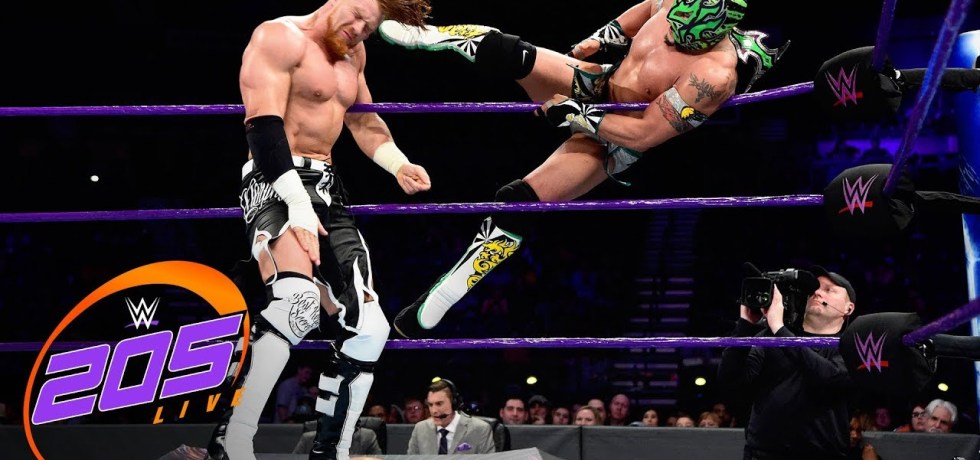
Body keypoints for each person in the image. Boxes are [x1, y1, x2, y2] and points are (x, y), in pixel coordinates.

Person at [377, 0, 787, 338]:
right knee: (507, 50)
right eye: (673, 26)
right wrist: (601, 38)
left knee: (516, 202)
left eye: (684, 39)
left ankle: (438, 300)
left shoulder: (713, 76)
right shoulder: (670, 4)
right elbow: (645, 9)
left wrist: (576, 114)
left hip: (618, 135)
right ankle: (425, 35)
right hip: (599, 83)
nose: (671, 37)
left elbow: (644, 134)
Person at [204, 1, 433, 459]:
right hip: (274, 179)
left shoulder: (354, 54)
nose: (359, 30)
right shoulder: (277, 37)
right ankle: (232, 438)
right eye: (356, 16)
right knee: (298, 304)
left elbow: (363, 120)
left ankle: (332, 451)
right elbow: (262, 127)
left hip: (329, 189)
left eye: (369, 28)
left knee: (371, 329)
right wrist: (296, 204)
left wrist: (398, 163)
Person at [718, 265, 857, 460]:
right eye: (814, 289)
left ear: (848, 308)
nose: (817, 293)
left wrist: (779, 329)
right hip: (763, 454)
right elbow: (730, 379)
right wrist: (745, 326)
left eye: (829, 290)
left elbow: (829, 376)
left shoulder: (852, 346)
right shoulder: (770, 336)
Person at [406, 380, 496, 455]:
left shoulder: (480, 429)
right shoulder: (420, 429)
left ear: (454, 404)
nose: (434, 411)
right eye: (430, 405)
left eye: (439, 404)